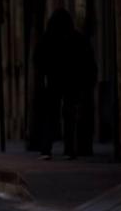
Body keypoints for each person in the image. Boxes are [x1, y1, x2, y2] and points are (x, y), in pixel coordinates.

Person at [34, 8, 97, 160]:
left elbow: (37, 59)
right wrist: (87, 81)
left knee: (51, 117)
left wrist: (44, 75)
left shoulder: (47, 38)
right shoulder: (76, 38)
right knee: (69, 117)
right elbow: (88, 61)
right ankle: (69, 149)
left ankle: (46, 150)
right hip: (71, 82)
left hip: (54, 81)